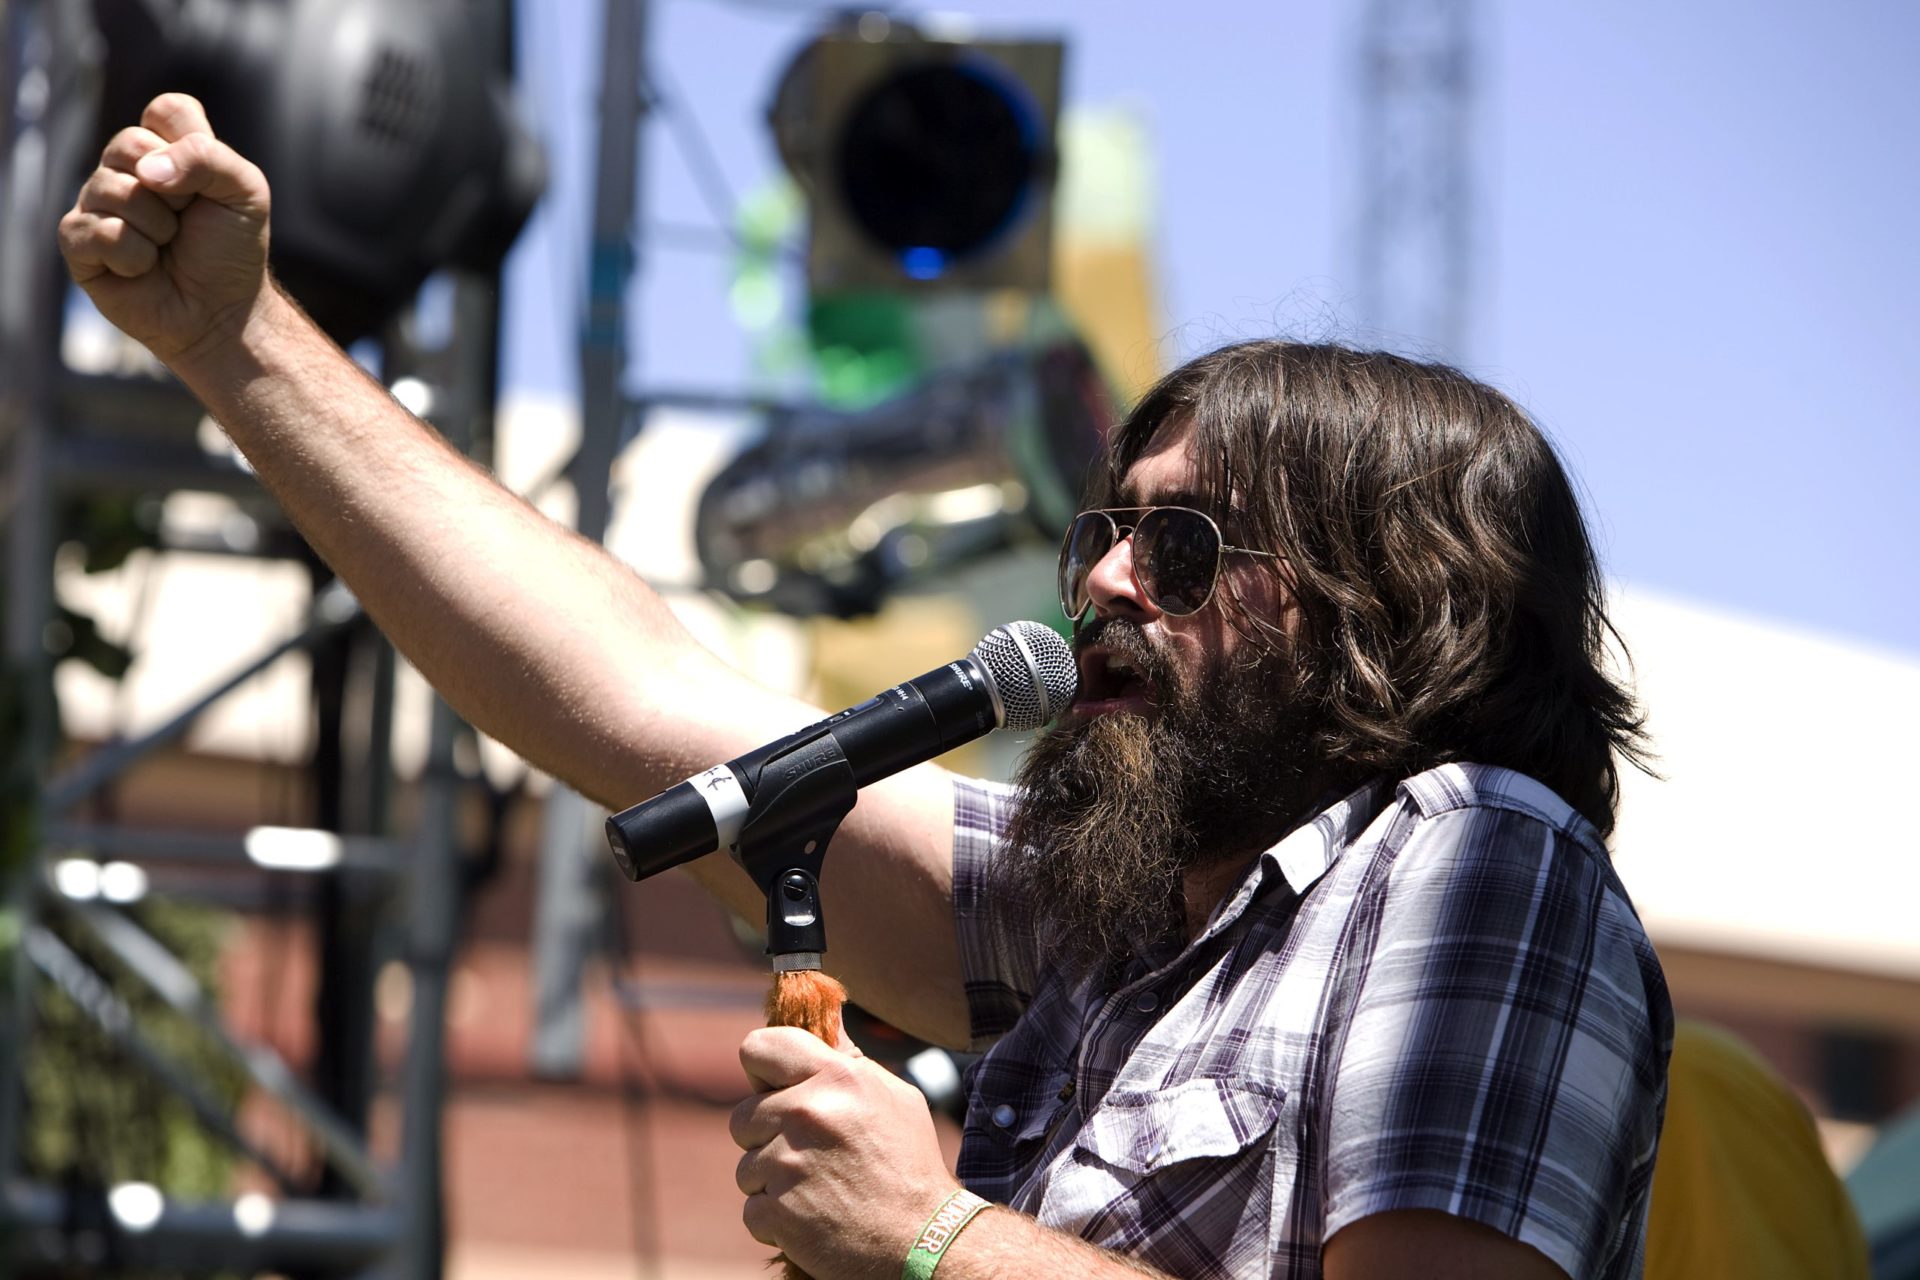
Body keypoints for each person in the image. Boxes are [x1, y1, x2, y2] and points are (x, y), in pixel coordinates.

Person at [60, 94, 1672, 1280]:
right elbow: (633, 698)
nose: (1105, 580)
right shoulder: (1120, 916)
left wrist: (930, 1234)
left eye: (1181, 548)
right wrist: (241, 343)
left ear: (1380, 613)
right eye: (1102, 533)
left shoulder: (1477, 859)